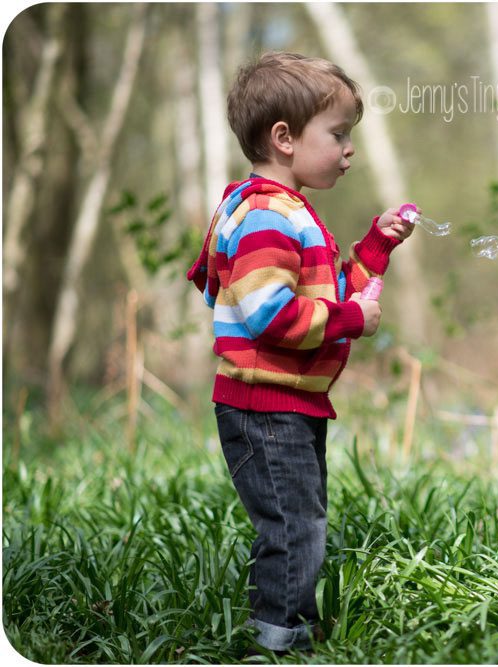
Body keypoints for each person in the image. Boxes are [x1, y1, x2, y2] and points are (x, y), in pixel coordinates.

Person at [186, 51, 414, 654]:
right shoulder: (267, 217)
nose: (348, 150)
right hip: (266, 408)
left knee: (298, 520)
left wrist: (376, 245)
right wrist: (351, 320)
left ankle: (288, 625)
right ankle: (280, 640)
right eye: (338, 134)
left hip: (287, 405)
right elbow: (271, 317)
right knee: (293, 526)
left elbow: (331, 290)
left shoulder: (285, 212)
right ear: (284, 138)